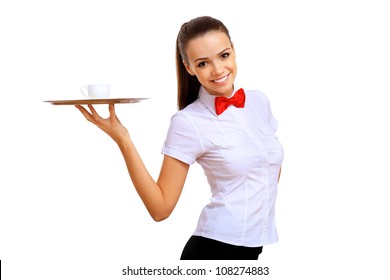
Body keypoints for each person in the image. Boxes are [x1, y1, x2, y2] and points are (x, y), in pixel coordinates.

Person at [76, 16, 284, 260]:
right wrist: (123, 139)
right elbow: (160, 208)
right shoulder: (188, 122)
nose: (218, 70)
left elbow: (268, 168)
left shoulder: (259, 102)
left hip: (255, 247)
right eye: (203, 63)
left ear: (234, 51)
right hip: (215, 250)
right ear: (189, 68)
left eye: (224, 55)